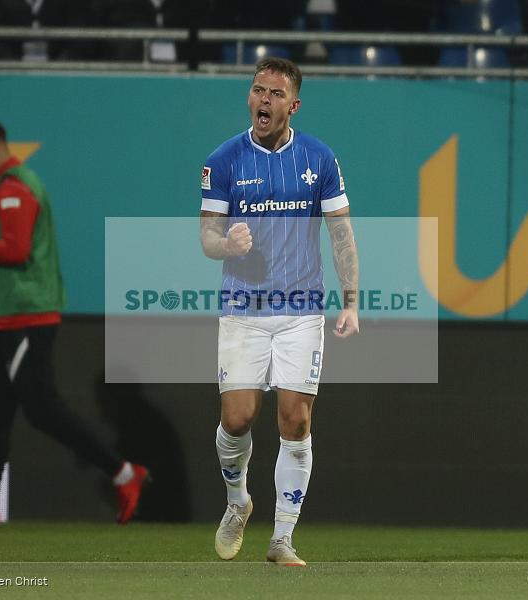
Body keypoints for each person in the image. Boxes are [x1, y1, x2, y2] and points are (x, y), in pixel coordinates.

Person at [0, 115, 149, 524]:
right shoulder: (15, 187)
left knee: (42, 410)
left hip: (26, 317)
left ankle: (124, 473)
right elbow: (21, 236)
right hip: (14, 318)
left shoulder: (12, 188)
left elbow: (15, 251)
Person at [199, 57, 359, 566]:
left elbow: (340, 234)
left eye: (274, 93)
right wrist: (228, 245)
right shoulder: (224, 160)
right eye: (257, 90)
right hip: (243, 309)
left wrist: (351, 298)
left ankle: (282, 538)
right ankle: (237, 501)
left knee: (296, 421)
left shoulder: (320, 158)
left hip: (301, 310)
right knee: (238, 417)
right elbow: (206, 236)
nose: (263, 99)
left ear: (294, 104)